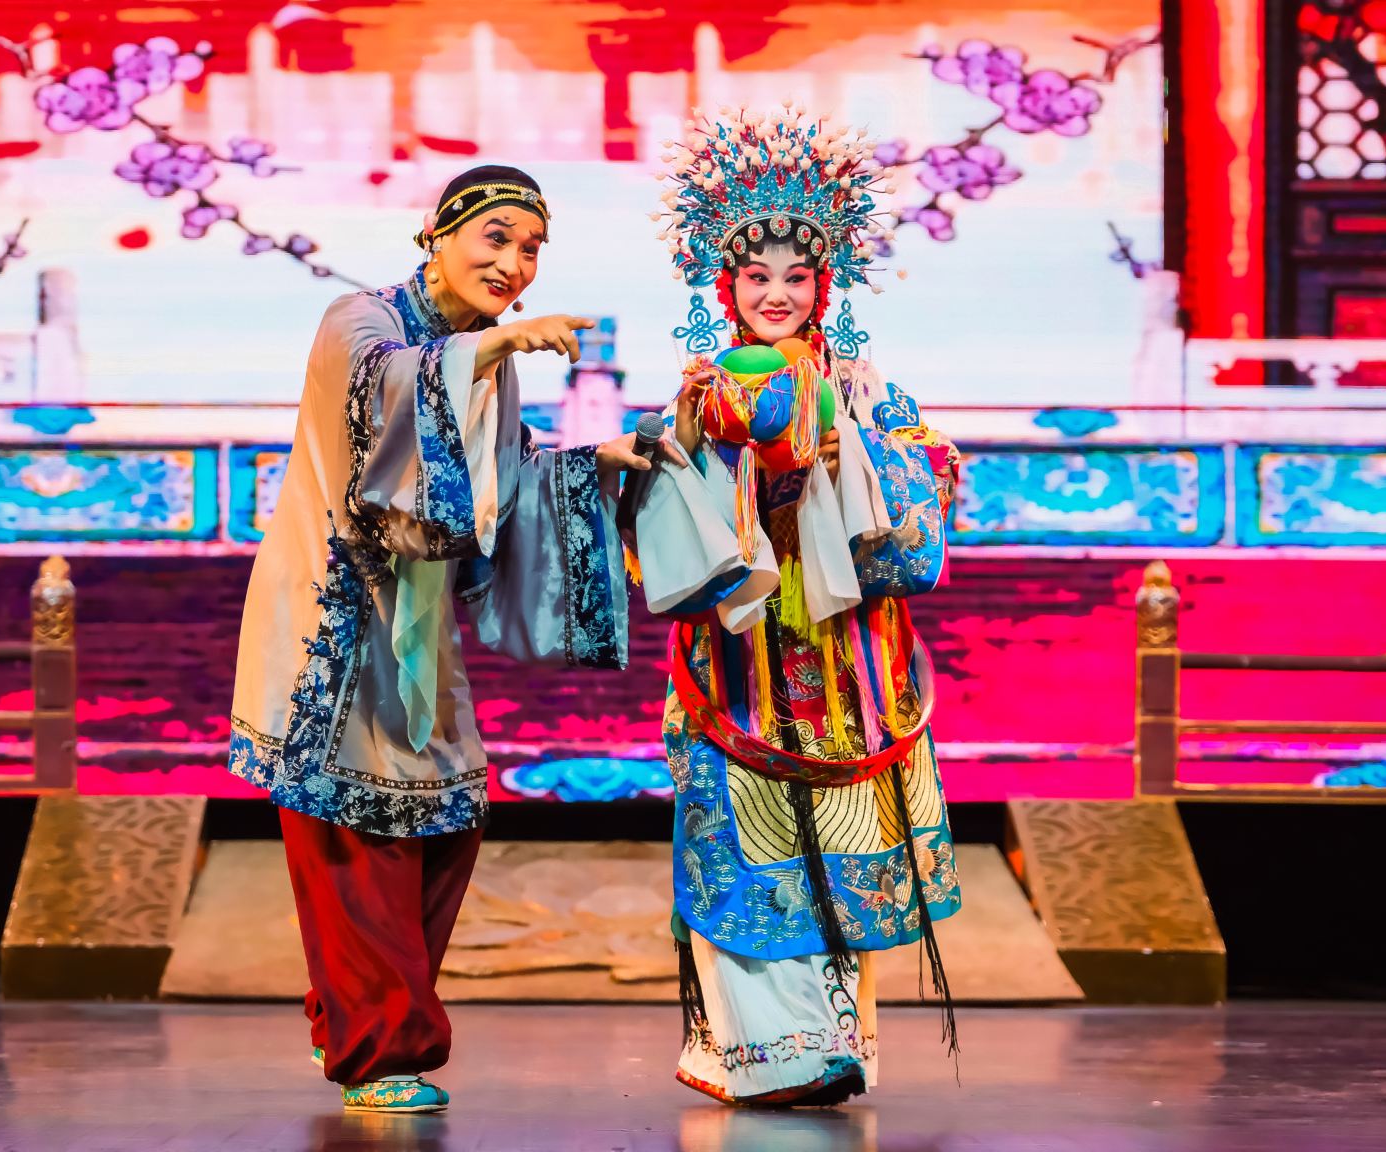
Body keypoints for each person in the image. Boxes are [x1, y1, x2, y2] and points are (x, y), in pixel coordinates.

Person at [227, 165, 681, 1114]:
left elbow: (497, 482)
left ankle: (357, 1019)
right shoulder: (361, 321)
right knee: (357, 836)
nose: (514, 264)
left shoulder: (483, 355)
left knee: (443, 821)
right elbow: (378, 396)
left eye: (531, 249)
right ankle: (377, 1047)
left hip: (418, 626)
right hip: (334, 613)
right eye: (496, 239)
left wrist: (593, 463)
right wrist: (497, 342)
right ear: (435, 234)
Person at [628, 109, 964, 1107]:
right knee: (746, 847)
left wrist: (866, 457)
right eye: (754, 277)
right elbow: (661, 539)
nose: (775, 295)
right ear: (723, 289)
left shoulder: (867, 391)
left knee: (848, 846)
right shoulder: (697, 399)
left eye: (796, 278)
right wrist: (718, 460)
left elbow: (924, 510)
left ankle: (837, 1043)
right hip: (739, 669)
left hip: (852, 666)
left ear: (826, 286)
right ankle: (763, 1055)